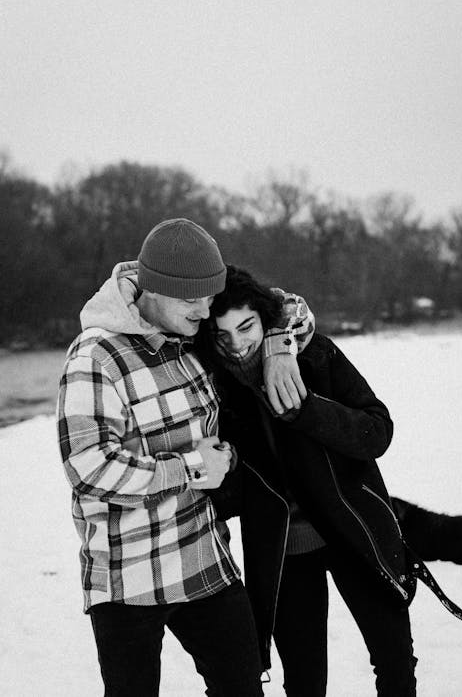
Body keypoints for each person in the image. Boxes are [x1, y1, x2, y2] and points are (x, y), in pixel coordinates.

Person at [56, 219, 314, 697]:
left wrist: (280, 347)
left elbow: (281, 306)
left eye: (208, 297)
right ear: (154, 290)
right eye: (191, 299)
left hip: (204, 561)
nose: (205, 309)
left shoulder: (192, 335)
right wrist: (191, 468)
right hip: (127, 575)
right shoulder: (96, 358)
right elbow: (88, 469)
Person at [200, 265, 418, 697]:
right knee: (303, 681)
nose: (238, 344)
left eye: (246, 327)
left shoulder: (314, 355)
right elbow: (232, 498)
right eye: (223, 336)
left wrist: (305, 410)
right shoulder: (214, 389)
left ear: (264, 319)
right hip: (284, 555)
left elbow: (378, 431)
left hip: (356, 532)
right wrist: (222, 469)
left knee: (394, 663)